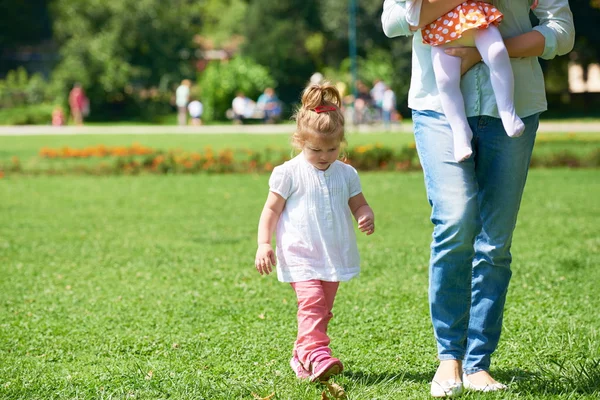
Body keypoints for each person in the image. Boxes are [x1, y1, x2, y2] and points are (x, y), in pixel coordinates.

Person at [382, 0, 574, 397]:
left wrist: (485, 50)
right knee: (455, 219)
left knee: (495, 242)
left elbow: (561, 30)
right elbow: (392, 21)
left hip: (515, 103)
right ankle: (449, 357)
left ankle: (477, 363)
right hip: (438, 106)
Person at [254, 82, 375, 383]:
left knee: (322, 310)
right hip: (300, 254)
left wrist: (365, 215)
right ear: (299, 141)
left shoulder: (346, 174)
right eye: (315, 149)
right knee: (312, 304)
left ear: (341, 142)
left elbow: (359, 204)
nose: (324, 155)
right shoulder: (289, 173)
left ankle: (302, 354)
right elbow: (271, 210)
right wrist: (263, 244)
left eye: (332, 149)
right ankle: (317, 354)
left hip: (333, 254)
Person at [405, 0, 528, 162]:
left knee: (497, 52)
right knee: (445, 80)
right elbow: (399, 18)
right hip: (443, 25)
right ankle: (460, 131)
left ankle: (507, 111)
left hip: (474, 16)